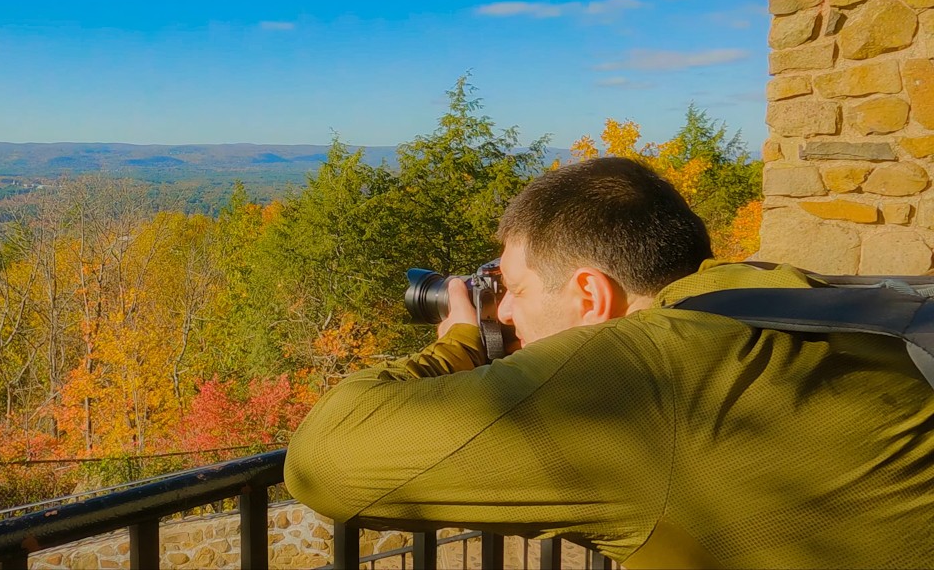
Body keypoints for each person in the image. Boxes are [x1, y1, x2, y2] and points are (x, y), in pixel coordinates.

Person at [284, 156, 934, 569]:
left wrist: (458, 341)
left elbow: (324, 463)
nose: (504, 312)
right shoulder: (785, 296)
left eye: (514, 290)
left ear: (591, 296)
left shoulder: (650, 376)